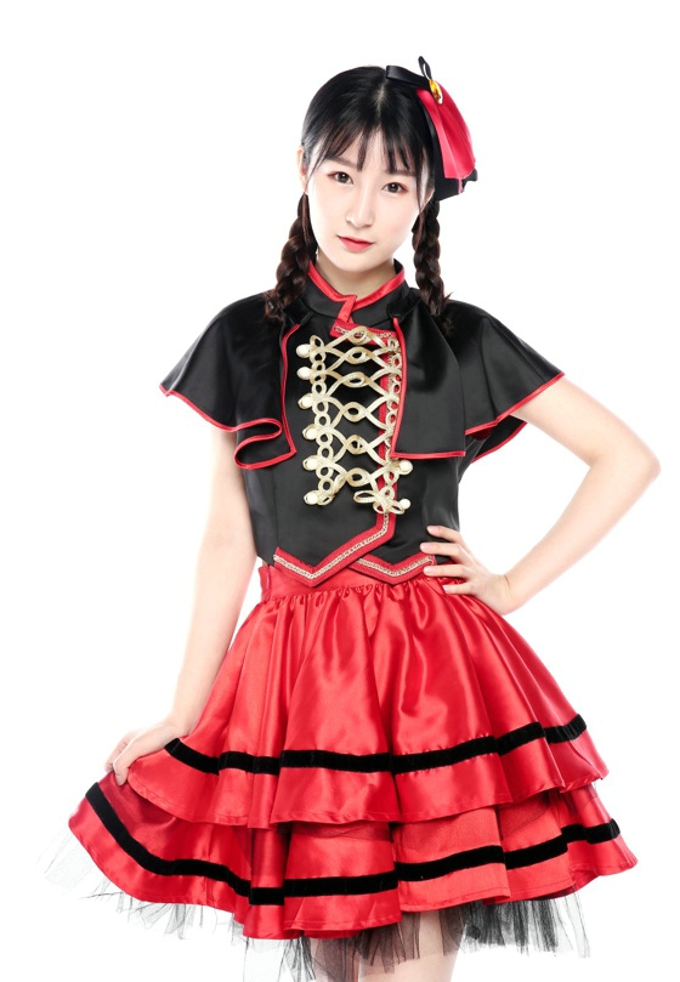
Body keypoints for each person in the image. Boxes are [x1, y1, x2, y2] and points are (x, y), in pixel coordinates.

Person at [56, 57, 659, 982]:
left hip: (428, 676)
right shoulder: (242, 336)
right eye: (341, 175)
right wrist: (186, 707)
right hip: (292, 680)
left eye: (394, 185)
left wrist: (507, 586)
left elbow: (626, 458)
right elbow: (227, 537)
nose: (361, 209)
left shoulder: (460, 338)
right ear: (302, 169)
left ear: (426, 199)